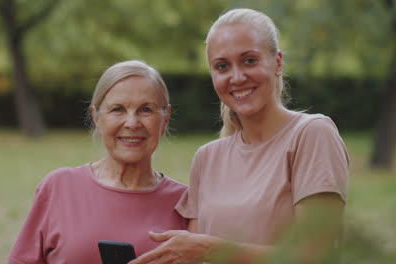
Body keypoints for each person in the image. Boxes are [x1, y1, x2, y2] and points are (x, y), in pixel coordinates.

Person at [130, 8, 349, 264]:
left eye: (249, 60)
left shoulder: (311, 134)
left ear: (277, 63)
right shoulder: (207, 158)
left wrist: (210, 249)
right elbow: (191, 255)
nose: (236, 77)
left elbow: (317, 256)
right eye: (222, 66)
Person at [7, 60, 188, 264]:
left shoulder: (185, 204)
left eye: (146, 110)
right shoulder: (59, 188)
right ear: (96, 117)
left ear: (165, 118)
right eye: (117, 109)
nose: (132, 123)